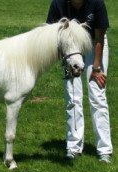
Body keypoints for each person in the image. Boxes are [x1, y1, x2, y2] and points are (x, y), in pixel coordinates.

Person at [46, 0, 113, 163]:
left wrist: (96, 68)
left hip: (93, 44)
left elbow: (99, 37)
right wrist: (67, 58)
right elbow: (51, 34)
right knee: (73, 98)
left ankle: (104, 150)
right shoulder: (58, 4)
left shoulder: (97, 3)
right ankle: (73, 147)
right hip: (70, 48)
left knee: (97, 96)